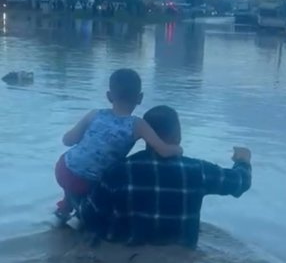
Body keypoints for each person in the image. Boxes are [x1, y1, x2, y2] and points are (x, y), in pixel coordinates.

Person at [81, 105, 252, 247]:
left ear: (146, 137)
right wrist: (243, 160)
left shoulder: (117, 171)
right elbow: (240, 182)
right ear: (178, 135)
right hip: (180, 259)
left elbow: (90, 216)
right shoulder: (197, 171)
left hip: (129, 256)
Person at [54, 69, 182, 222]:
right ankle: (81, 212)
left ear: (109, 96)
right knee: (99, 188)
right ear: (140, 98)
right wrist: (178, 149)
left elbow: (68, 141)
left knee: (79, 169)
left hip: (63, 170)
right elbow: (164, 151)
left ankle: (66, 205)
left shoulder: (95, 114)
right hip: (89, 183)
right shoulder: (137, 125)